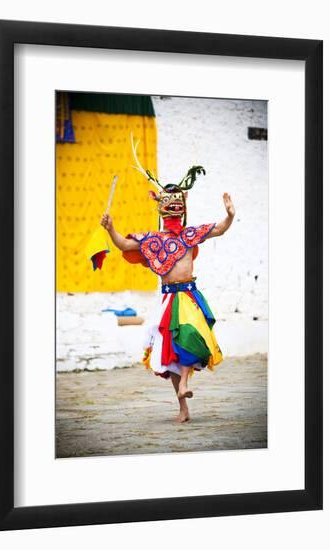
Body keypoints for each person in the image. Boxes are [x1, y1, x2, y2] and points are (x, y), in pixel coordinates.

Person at [101, 142, 235, 422]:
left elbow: (219, 229)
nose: (173, 208)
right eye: (168, 203)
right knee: (170, 356)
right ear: (160, 206)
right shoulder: (152, 240)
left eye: (177, 203)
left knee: (189, 337)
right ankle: (182, 406)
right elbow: (124, 244)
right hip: (167, 300)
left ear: (183, 206)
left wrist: (230, 215)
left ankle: (185, 385)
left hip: (189, 297)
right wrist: (111, 228)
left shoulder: (190, 235)